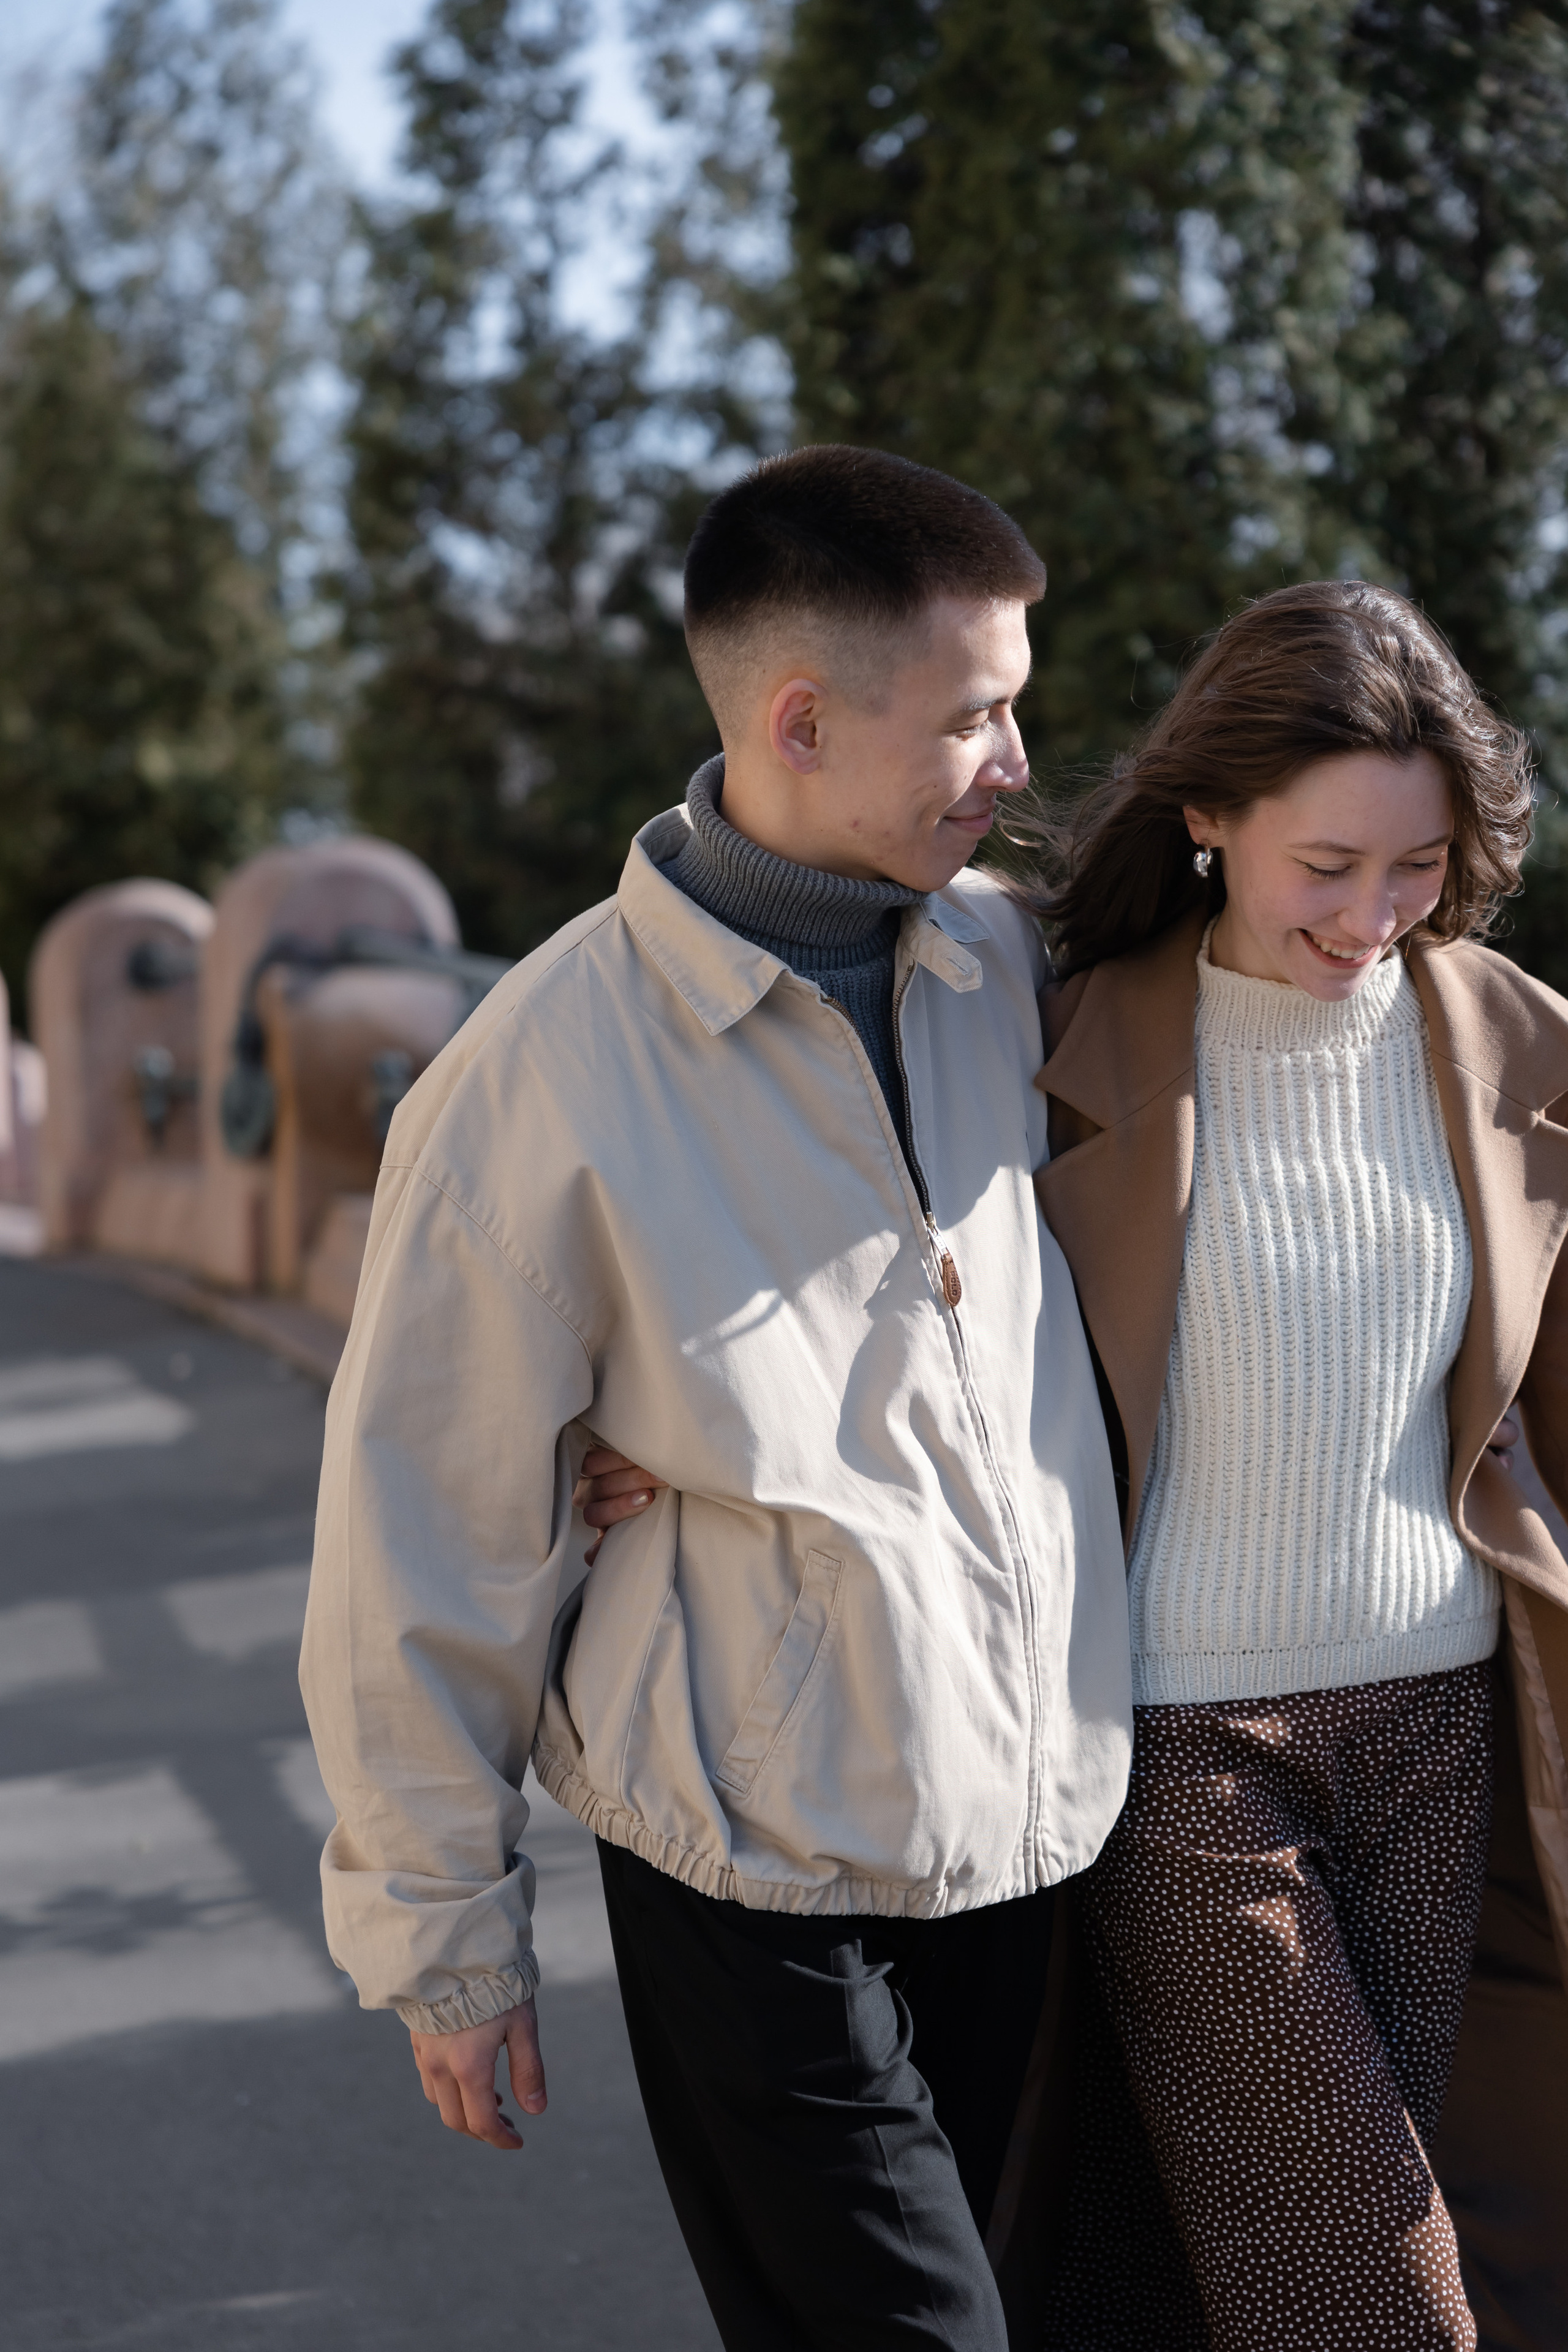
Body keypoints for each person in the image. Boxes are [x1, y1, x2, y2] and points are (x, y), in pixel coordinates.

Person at [300, 444, 1134, 2351]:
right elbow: (422, 1525)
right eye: (980, 716)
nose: (1019, 761)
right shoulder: (533, 1081)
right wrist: (444, 1941)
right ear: (799, 719)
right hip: (754, 1866)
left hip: (1041, 1828)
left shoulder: (1018, 966)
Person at [983, 579, 1568, 2350]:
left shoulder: (1515, 1040)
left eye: (1417, 867)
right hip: (1183, 1751)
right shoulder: (1044, 1034)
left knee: (1264, 2258)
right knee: (1372, 2300)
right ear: (1210, 817)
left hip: (1446, 1730)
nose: (1376, 916)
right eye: (1329, 866)